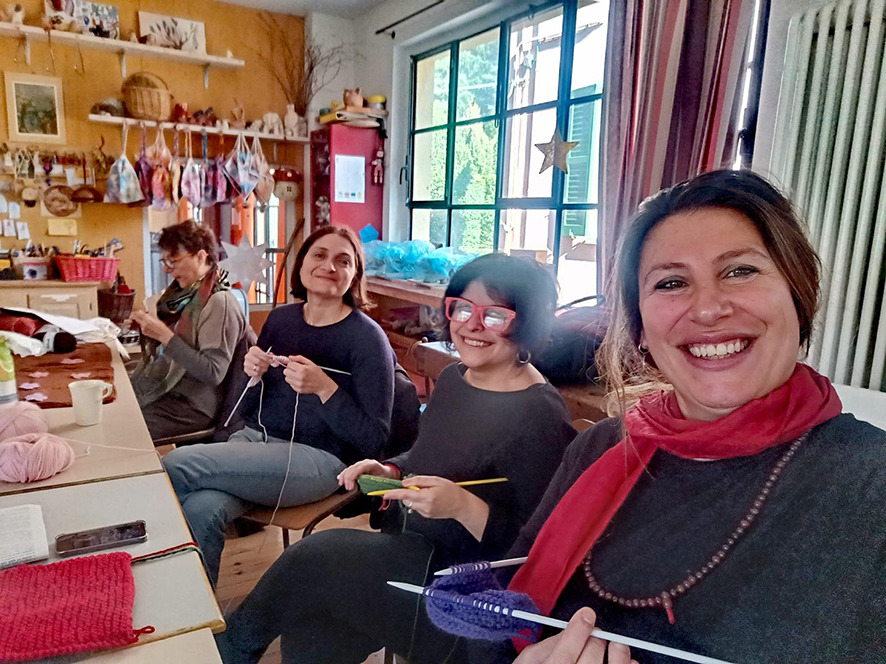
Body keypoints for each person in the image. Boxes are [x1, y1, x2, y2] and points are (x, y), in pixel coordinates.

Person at [469, 170, 885, 664]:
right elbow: (495, 626)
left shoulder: (870, 485)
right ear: (642, 329)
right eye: (671, 283)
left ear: (798, 295)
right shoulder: (599, 448)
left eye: (740, 271)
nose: (707, 309)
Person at [215, 253, 579, 664]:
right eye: (462, 308)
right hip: (412, 550)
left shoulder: (540, 416)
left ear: (528, 323)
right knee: (314, 623)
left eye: (495, 315)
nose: (471, 325)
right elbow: (426, 458)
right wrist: (390, 470)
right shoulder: (454, 378)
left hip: (465, 592)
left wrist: (464, 506)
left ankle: (228, 652)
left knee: (315, 557)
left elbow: (538, 552)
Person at [164, 226, 397, 586]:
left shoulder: (367, 339)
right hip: (257, 443)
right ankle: (196, 610)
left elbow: (374, 439)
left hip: (320, 462)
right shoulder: (281, 320)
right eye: (319, 255)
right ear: (302, 264)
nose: (329, 266)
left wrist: (326, 389)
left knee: (177, 463)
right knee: (200, 508)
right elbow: (250, 407)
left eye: (343, 261)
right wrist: (253, 374)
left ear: (355, 276)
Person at [131, 220, 247, 440]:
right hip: (175, 392)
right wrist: (147, 327)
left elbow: (213, 372)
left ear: (201, 256)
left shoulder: (219, 302)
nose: (166, 269)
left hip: (194, 405)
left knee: (122, 427)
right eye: (165, 261)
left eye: (173, 260)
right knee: (117, 405)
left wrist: (164, 335)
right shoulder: (183, 297)